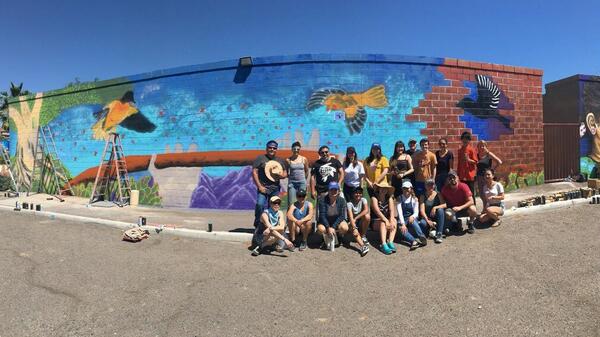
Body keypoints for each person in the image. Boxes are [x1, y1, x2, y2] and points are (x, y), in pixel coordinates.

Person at [252, 140, 288, 231]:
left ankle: (271, 226)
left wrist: (282, 175)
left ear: (276, 149)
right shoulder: (260, 158)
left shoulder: (280, 160)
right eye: (270, 147)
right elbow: (254, 172)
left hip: (275, 188)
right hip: (263, 188)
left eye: (274, 148)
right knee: (260, 205)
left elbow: (285, 173)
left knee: (273, 208)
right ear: (266, 148)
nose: (272, 149)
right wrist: (260, 186)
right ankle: (258, 224)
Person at [317, 182, 354, 253]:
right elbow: (322, 215)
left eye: (335, 190)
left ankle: (339, 237)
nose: (333, 191)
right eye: (331, 190)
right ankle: (325, 239)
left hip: (337, 221)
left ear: (338, 191)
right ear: (328, 190)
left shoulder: (342, 200)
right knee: (321, 229)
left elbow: (342, 216)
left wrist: (333, 227)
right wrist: (328, 227)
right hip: (325, 221)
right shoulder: (322, 200)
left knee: (344, 227)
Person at [439, 170, 478, 234]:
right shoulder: (444, 189)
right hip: (453, 210)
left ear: (458, 178)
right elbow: (444, 204)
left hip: (464, 208)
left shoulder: (463, 186)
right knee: (447, 213)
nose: (452, 179)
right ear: (447, 180)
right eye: (450, 178)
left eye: (454, 177)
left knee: (473, 209)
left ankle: (471, 223)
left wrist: (460, 207)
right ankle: (456, 223)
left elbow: (471, 201)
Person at [397, 181, 428, 250]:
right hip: (403, 218)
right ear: (402, 189)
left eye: (407, 188)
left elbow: (416, 212)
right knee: (401, 228)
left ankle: (421, 236)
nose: (406, 190)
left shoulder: (414, 199)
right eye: (404, 188)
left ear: (411, 189)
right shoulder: (399, 198)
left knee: (413, 221)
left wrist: (413, 216)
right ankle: (413, 241)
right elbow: (400, 213)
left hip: (411, 217)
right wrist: (403, 224)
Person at [369, 181, 397, 255]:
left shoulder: (389, 198)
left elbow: (391, 211)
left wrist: (390, 220)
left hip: (386, 220)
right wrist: (386, 221)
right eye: (381, 188)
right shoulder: (374, 198)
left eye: (385, 188)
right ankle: (383, 244)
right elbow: (377, 212)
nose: (383, 190)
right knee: (383, 223)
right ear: (378, 189)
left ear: (387, 190)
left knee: (394, 221)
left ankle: (390, 242)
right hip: (375, 221)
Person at [476, 140, 503, 206]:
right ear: (477, 147)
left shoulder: (489, 154)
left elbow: (499, 162)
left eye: (483, 145)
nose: (482, 147)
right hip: (479, 177)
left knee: (488, 192)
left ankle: (491, 206)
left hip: (487, 177)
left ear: (485, 146)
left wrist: (492, 170)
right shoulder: (476, 155)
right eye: (480, 145)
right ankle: (485, 206)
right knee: (481, 193)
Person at [419, 179, 445, 243]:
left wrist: (435, 207)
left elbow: (445, 204)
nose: (430, 186)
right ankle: (430, 232)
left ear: (434, 186)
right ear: (425, 186)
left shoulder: (438, 194)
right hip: (427, 218)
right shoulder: (422, 196)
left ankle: (439, 234)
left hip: (436, 216)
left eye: (432, 184)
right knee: (422, 223)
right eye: (428, 185)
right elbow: (422, 210)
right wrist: (427, 220)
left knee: (440, 210)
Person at [457, 131, 477, 206]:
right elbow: (459, 163)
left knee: (470, 193)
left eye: (467, 139)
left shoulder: (472, 149)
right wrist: (458, 174)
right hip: (462, 176)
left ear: (469, 140)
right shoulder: (460, 150)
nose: (465, 140)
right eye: (463, 139)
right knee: (463, 193)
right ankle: (466, 210)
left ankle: (473, 209)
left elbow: (476, 162)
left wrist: (468, 160)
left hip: (470, 175)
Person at [286, 141, 309, 206]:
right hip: (292, 183)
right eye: (294, 149)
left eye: (298, 149)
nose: (296, 151)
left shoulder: (304, 159)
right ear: (292, 149)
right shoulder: (288, 160)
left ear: (300, 149)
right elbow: (286, 172)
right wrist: (290, 178)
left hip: (302, 183)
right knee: (291, 202)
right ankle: (290, 216)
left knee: (302, 202)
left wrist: (304, 180)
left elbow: (307, 171)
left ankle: (301, 216)